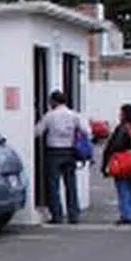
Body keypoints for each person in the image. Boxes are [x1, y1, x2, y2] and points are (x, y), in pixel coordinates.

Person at [34, 90, 89, 224]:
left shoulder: (50, 116)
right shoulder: (74, 115)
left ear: (53, 101)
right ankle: (73, 215)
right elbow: (87, 130)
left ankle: (57, 215)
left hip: (53, 152)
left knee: (53, 185)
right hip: (70, 151)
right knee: (71, 184)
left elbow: (37, 132)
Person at [101, 103, 131, 225]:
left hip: (123, 162)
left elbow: (116, 145)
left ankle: (126, 215)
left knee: (122, 189)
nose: (119, 115)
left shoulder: (123, 128)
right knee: (130, 189)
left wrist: (106, 161)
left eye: (120, 113)